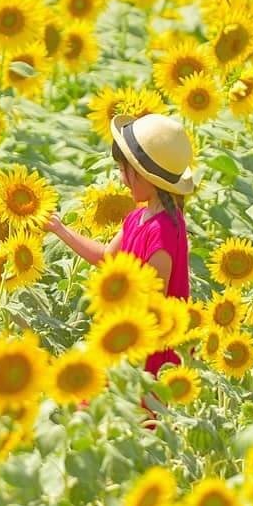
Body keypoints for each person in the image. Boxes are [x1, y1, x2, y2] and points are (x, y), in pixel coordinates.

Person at [44, 112, 194, 404]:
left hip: (145, 355)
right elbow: (106, 258)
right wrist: (60, 230)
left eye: (126, 170)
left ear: (147, 177)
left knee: (133, 427)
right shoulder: (139, 216)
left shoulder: (163, 233)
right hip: (125, 338)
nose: (122, 178)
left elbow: (152, 309)